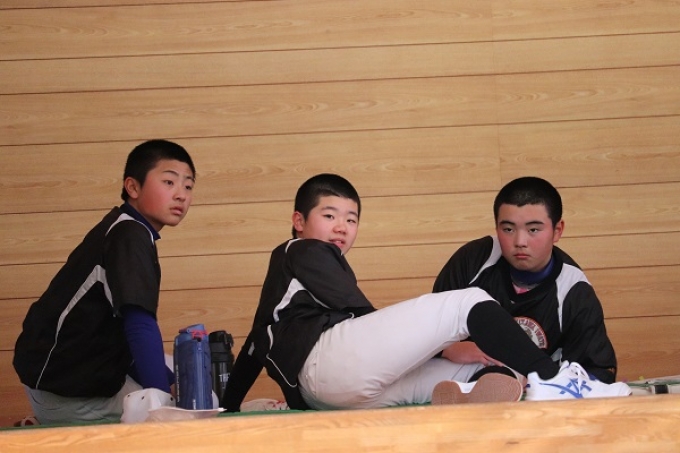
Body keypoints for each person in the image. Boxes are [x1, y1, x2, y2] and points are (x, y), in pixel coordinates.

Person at [222, 174, 629, 412]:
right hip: (328, 367)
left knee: (490, 373)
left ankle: (479, 390)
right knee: (470, 302)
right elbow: (364, 317)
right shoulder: (302, 250)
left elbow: (257, 344)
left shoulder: (288, 281)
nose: (342, 227)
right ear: (298, 221)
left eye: (352, 219)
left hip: (335, 395)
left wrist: (230, 406)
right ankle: (554, 378)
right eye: (329, 216)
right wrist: (439, 345)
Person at [13, 139, 196, 425]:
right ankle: (57, 427)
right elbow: (139, 325)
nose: (181, 195)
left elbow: (124, 332)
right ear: (133, 187)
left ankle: (50, 421)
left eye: (188, 186)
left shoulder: (125, 227)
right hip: (67, 393)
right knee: (181, 419)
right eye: (169, 182)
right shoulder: (129, 234)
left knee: (179, 375)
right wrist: (163, 406)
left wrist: (169, 385)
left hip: (59, 381)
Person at [433, 176, 620, 390]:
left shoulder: (574, 290)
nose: (520, 242)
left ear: (557, 231)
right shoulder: (474, 260)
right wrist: (446, 349)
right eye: (508, 229)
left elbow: (600, 373)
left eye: (533, 230)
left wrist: (541, 384)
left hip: (536, 390)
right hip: (459, 374)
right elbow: (426, 329)